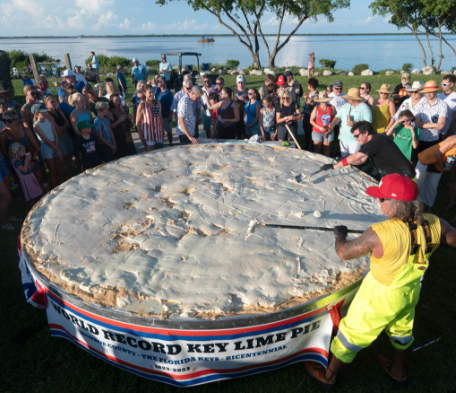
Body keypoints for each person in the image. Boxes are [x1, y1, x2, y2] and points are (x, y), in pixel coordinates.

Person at [305, 173, 456, 390]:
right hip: (410, 292)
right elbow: (452, 237)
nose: (378, 201)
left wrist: (339, 235)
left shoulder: (379, 233)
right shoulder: (435, 223)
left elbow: (344, 253)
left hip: (379, 296)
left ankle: (328, 376)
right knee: (402, 331)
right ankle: (398, 371)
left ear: (395, 204)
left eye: (381, 198)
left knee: (353, 333)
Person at [322, 121, 415, 179]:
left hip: (402, 175)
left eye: (357, 136)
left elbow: (355, 157)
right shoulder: (373, 141)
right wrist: (343, 161)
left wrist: (334, 166)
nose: (356, 138)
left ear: (366, 133)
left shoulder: (376, 141)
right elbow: (361, 160)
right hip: (391, 174)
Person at [414, 80, 448, 211]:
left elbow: (442, 125)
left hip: (435, 143)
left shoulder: (442, 105)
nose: (428, 94)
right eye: (426, 92)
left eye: (431, 91)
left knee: (433, 180)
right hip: (421, 143)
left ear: (436, 91)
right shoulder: (421, 103)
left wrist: (423, 123)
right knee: (418, 177)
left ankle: (429, 207)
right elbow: (417, 123)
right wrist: (433, 125)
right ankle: (416, 205)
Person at [0, 108, 43, 189]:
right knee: (24, 188)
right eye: (3, 120)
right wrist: (17, 164)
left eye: (9, 121)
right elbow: (4, 152)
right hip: (18, 165)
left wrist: (33, 161)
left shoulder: (26, 130)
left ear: (16, 120)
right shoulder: (3, 134)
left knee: (38, 183)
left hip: (31, 160)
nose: (6, 123)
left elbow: (36, 147)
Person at [327, 88, 372, 157]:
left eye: (348, 98)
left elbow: (368, 123)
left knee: (354, 160)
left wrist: (355, 123)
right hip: (343, 138)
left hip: (356, 139)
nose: (347, 99)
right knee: (344, 160)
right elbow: (338, 117)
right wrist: (333, 123)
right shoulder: (345, 106)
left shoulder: (364, 107)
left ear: (354, 99)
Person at [44, 95, 74, 181]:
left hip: (67, 138)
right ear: (46, 104)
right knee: (62, 163)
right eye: (51, 102)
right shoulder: (48, 115)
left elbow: (68, 123)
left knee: (69, 161)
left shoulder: (59, 111)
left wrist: (63, 127)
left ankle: (71, 178)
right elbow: (58, 131)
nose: (54, 103)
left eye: (55, 101)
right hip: (60, 140)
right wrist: (64, 126)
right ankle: (63, 180)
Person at [33, 103, 62, 190]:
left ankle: (59, 186)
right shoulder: (36, 125)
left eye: (45, 111)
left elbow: (56, 135)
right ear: (36, 114)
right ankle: (54, 189)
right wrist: (57, 149)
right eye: (43, 112)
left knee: (58, 169)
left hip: (54, 145)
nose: (46, 113)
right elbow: (45, 140)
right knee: (52, 171)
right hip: (47, 148)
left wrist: (56, 148)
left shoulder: (49, 120)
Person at [8, 142, 42, 209]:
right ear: (16, 152)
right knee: (31, 197)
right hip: (26, 180)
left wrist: (28, 159)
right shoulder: (15, 161)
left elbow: (29, 167)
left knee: (33, 195)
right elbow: (24, 170)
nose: (25, 151)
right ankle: (33, 210)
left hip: (30, 178)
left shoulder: (21, 158)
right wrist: (26, 159)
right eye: (22, 150)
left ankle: (35, 209)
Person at [136, 85, 164, 151]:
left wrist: (163, 131)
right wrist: (140, 135)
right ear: (145, 94)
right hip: (148, 135)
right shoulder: (142, 105)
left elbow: (160, 118)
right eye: (149, 92)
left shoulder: (158, 104)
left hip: (158, 134)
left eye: (152, 92)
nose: (152, 94)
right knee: (151, 156)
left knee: (160, 154)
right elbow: (138, 122)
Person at [109, 94, 136, 158]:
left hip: (127, 134)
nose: (118, 102)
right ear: (112, 102)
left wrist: (123, 110)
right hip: (118, 137)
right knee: (122, 156)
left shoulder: (124, 109)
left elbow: (130, 117)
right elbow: (111, 126)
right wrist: (119, 120)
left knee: (132, 154)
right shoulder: (110, 112)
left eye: (119, 100)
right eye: (116, 100)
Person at [155, 76, 174, 146]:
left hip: (166, 115)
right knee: (160, 131)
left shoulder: (168, 93)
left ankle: (170, 143)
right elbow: (148, 85)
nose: (156, 83)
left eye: (158, 81)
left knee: (168, 131)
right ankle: (161, 143)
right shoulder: (157, 91)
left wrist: (170, 116)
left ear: (162, 82)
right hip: (158, 116)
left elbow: (172, 106)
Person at [302, 77, 319, 150]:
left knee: (312, 132)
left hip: (312, 116)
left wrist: (309, 102)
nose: (307, 86)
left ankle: (312, 147)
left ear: (310, 86)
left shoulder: (316, 96)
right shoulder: (310, 94)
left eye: (307, 85)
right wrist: (306, 99)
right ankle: (306, 145)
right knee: (306, 131)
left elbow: (313, 107)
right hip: (306, 115)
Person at [201, 74, 217, 139]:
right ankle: (208, 140)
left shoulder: (215, 88)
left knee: (214, 128)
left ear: (211, 80)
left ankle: (214, 140)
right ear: (203, 82)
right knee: (207, 128)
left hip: (214, 111)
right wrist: (201, 105)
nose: (206, 83)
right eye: (205, 81)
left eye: (208, 81)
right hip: (205, 112)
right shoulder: (201, 89)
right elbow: (199, 100)